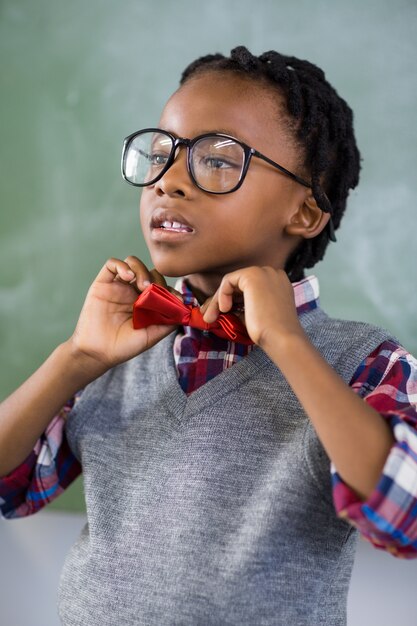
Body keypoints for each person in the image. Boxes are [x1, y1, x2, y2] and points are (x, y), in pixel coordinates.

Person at [1, 46, 416, 625]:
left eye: (218, 159)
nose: (167, 181)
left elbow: (406, 512)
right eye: (162, 153)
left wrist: (289, 345)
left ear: (303, 212)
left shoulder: (363, 360)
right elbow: (10, 487)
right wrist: (76, 357)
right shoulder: (119, 347)